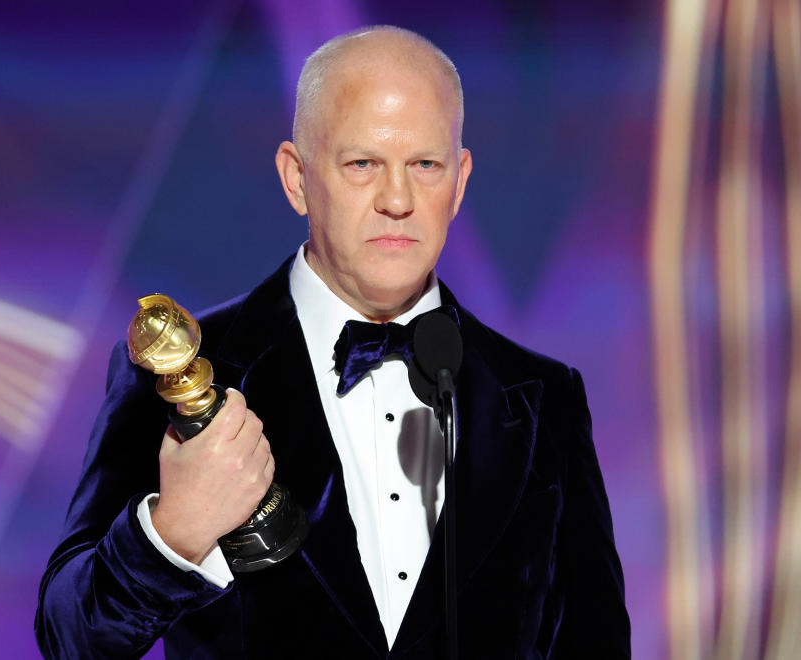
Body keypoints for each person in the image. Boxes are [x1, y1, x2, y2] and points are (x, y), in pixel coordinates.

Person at [35, 25, 630, 659]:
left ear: (459, 181)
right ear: (296, 179)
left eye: (424, 165)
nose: (397, 199)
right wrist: (174, 531)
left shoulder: (543, 396)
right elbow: (71, 640)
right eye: (362, 164)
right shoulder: (185, 370)